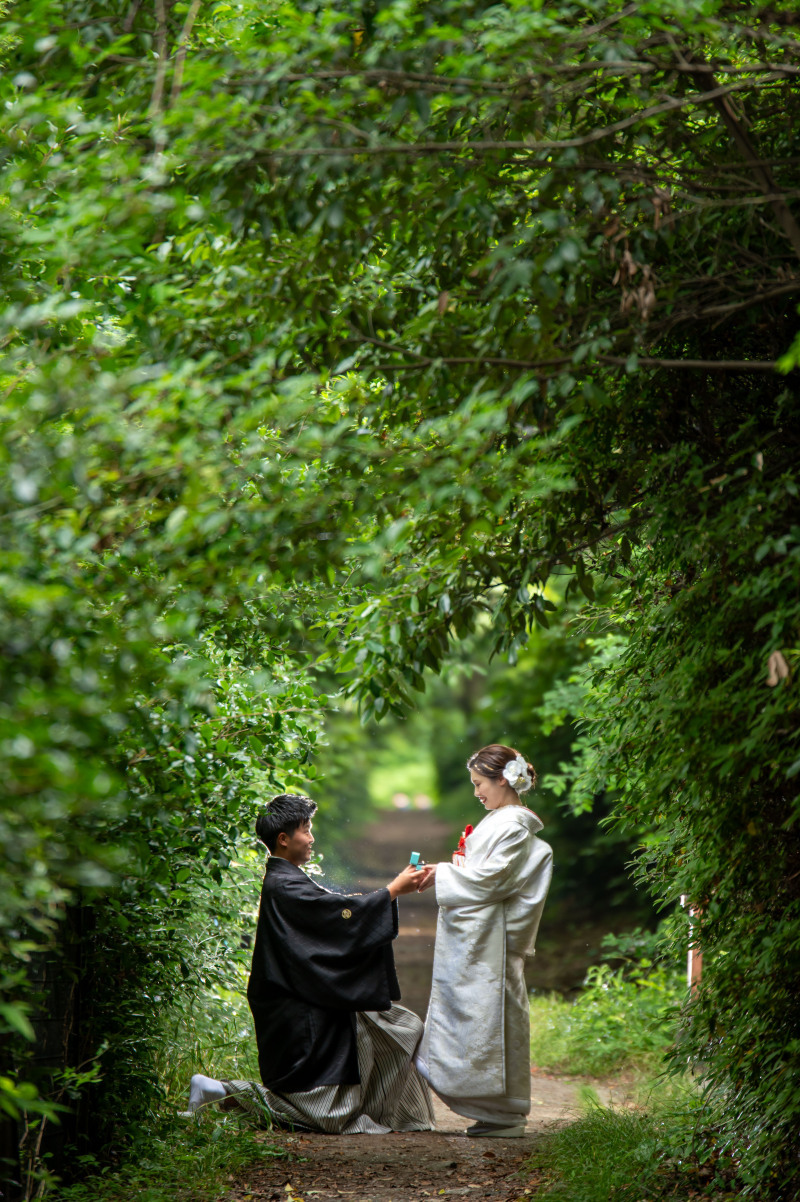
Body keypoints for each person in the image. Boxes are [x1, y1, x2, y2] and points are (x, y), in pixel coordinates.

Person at [183, 793, 434, 1134]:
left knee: (402, 1029)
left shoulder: (286, 879)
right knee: (325, 1115)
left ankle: (391, 1115)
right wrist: (390, 892)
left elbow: (332, 915)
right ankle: (221, 1090)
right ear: (284, 840)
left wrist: (380, 896)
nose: (312, 838)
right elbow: (336, 919)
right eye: (305, 830)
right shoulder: (283, 884)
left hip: (314, 994)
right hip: (299, 1008)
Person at [415, 744, 553, 1138]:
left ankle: (503, 1113)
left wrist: (443, 872)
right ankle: (497, 1110)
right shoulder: (502, 821)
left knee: (491, 1017)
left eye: (480, 783)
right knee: (486, 1016)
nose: (477, 791)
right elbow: (486, 875)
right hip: (486, 940)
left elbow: (493, 881)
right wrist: (449, 869)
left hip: (491, 944)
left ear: (502, 779)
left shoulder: (511, 825)